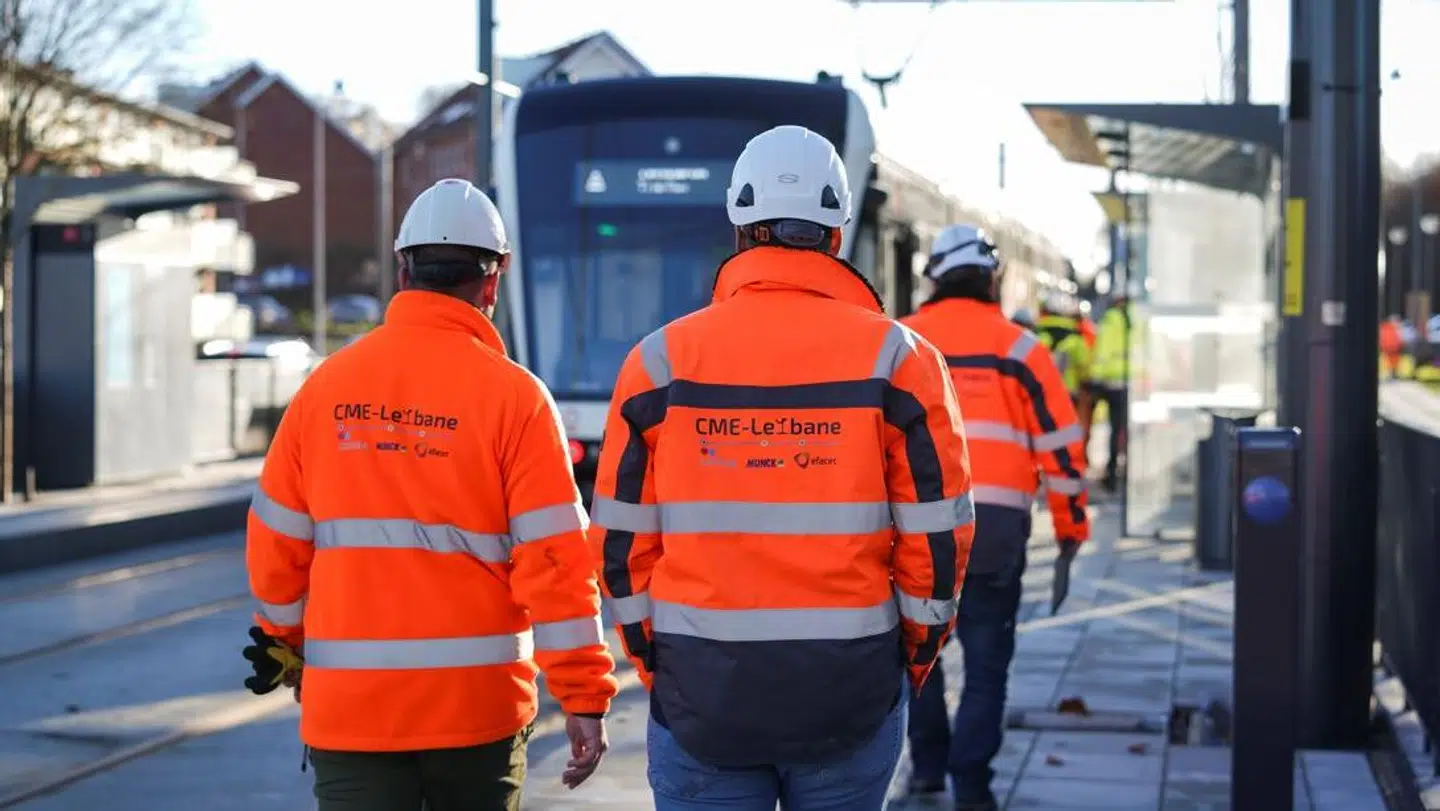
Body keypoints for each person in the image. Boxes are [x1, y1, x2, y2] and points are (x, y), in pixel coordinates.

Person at [586, 125, 976, 810]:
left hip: (701, 695)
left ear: (739, 225)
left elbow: (619, 547)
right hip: (849, 693)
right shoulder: (902, 362)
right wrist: (907, 659)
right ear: (835, 234)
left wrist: (659, 662)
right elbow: (938, 542)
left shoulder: (657, 364)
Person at [243, 178, 618, 811]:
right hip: (476, 716)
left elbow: (276, 546)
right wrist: (582, 695)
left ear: (402, 268)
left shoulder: (325, 388)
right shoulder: (517, 400)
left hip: (352, 717)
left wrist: (284, 640)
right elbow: (557, 566)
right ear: (492, 281)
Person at [899, 224, 1090, 811]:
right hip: (995, 534)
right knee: (986, 669)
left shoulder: (899, 342)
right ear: (990, 278)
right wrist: (1070, 528)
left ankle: (928, 769)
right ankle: (972, 784)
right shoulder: (1020, 350)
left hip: (915, 532)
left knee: (917, 662)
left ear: (933, 278)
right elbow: (1060, 447)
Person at [1090, 293, 1132, 493]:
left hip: (1112, 383)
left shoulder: (1110, 319)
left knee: (1115, 431)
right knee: (1129, 430)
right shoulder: (1138, 319)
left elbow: (1102, 351)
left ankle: (1113, 474)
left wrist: (1095, 378)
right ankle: (1128, 473)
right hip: (1135, 384)